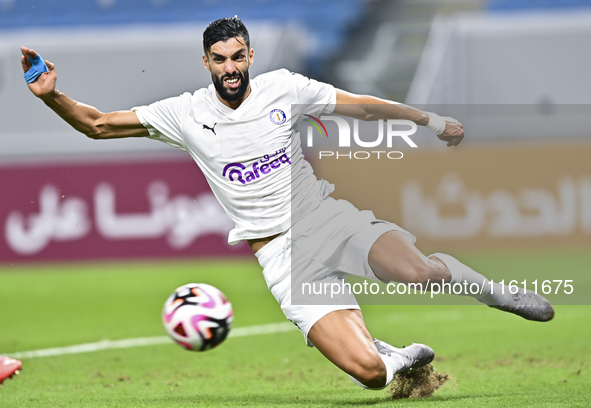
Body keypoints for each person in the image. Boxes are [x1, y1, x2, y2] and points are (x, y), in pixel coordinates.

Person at [20, 16, 554, 391]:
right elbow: (98, 125)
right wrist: (53, 96)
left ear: (250, 55)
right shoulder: (184, 113)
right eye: (219, 60)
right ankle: (396, 355)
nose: (230, 68)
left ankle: (491, 291)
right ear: (205, 62)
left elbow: (361, 108)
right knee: (369, 375)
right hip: (280, 256)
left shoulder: (284, 88)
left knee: (418, 273)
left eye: (238, 57)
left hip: (326, 219)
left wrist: (427, 119)